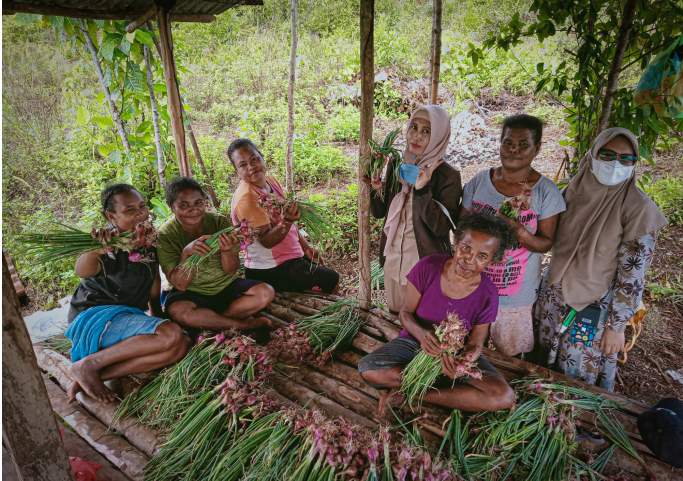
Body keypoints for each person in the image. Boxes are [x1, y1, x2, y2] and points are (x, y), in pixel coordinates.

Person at [534, 128, 668, 391]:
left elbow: (633, 276)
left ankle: (573, 424)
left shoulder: (639, 210)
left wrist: (617, 327)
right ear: (593, 155)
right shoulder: (572, 192)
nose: (615, 164)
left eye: (626, 159)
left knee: (576, 373)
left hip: (594, 306)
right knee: (539, 360)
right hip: (553, 295)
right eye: (607, 155)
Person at [358, 212, 517, 416]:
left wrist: (464, 362)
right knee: (369, 368)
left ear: (492, 260)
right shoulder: (428, 267)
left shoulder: (488, 293)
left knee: (503, 396)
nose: (469, 260)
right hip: (414, 343)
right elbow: (405, 313)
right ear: (456, 243)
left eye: (482, 256)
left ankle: (411, 394)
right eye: (466, 248)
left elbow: (476, 343)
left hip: (455, 353)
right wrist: (422, 335)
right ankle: (444, 389)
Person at [65, 183, 190, 403]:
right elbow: (82, 271)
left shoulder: (148, 242)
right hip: (96, 318)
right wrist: (97, 248)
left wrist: (158, 320)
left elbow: (154, 284)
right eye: (130, 210)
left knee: (180, 345)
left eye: (142, 207)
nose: (141, 214)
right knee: (171, 334)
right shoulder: (106, 241)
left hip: (127, 318)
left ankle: (93, 374)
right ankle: (89, 364)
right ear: (111, 216)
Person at [461, 114, 566, 357]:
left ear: (537, 148)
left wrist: (521, 234)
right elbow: (461, 227)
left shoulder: (546, 192)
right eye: (507, 143)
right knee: (463, 348)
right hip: (470, 283)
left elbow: (545, 243)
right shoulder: (480, 182)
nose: (513, 150)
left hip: (512, 293)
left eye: (523, 144)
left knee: (509, 356)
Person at [365, 105, 462, 314]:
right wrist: (376, 187)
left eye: (426, 131)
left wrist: (422, 191)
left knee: (420, 326)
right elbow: (380, 212)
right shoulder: (398, 165)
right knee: (394, 315)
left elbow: (440, 227)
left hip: (423, 265)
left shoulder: (448, 176)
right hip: (393, 261)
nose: (416, 136)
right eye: (414, 127)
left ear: (438, 136)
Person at [157, 177, 274, 334]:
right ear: (171, 207)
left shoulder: (219, 222)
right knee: (178, 311)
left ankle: (212, 322)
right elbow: (181, 285)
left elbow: (232, 271)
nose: (194, 209)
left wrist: (226, 250)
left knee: (265, 292)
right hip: (192, 292)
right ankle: (242, 325)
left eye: (198, 202)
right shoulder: (165, 235)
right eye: (184, 205)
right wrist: (186, 253)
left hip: (225, 286)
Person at [227, 138, 340, 294]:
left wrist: (306, 247)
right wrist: (286, 221)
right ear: (236, 171)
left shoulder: (270, 181)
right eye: (243, 165)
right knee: (332, 279)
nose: (251, 166)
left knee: (322, 273)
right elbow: (266, 241)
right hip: (271, 269)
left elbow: (289, 222)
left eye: (254, 159)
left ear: (261, 156)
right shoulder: (246, 197)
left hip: (288, 258)